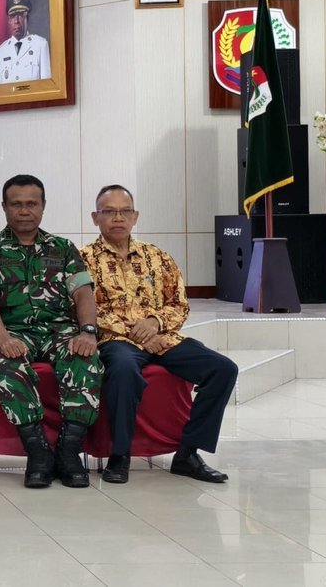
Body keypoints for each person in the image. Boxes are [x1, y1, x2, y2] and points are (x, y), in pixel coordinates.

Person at [81, 185, 235, 485]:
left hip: (162, 338)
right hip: (115, 340)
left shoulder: (157, 257)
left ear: (135, 216)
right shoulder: (82, 259)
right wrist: (137, 332)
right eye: (109, 211)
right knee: (123, 370)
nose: (118, 218)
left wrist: (154, 322)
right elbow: (84, 309)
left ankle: (188, 454)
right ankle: (119, 455)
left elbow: (179, 304)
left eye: (124, 211)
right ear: (95, 217)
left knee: (223, 369)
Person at [0, 174, 101, 489]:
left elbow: (83, 292)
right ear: (4, 207)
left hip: (59, 330)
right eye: (16, 204)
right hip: (12, 329)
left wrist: (88, 332)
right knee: (7, 363)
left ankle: (69, 451)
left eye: (32, 204)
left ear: (43, 206)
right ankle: (39, 453)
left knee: (86, 360)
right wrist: (2, 337)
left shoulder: (63, 248)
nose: (24, 211)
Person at [0, 0, 51, 84]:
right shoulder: (1, 51)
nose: (16, 21)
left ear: (27, 18)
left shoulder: (40, 45)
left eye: (20, 15)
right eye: (12, 16)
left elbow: (46, 86)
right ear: (9, 21)